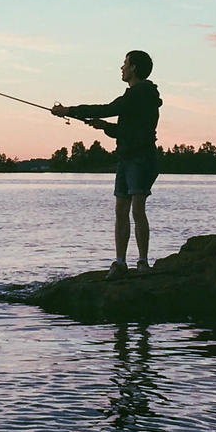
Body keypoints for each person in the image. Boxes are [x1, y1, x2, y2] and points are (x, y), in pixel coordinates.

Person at [52, 50, 163, 278]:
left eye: (125, 63)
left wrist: (69, 111)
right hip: (126, 158)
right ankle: (120, 262)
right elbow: (128, 129)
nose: (121, 67)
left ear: (134, 68)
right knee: (121, 211)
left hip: (141, 160)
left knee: (137, 210)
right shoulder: (140, 95)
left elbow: (109, 108)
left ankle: (142, 263)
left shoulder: (139, 92)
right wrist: (105, 127)